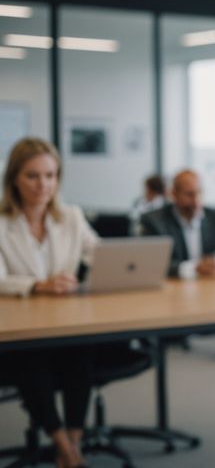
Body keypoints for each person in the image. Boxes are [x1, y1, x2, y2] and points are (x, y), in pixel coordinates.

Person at [0, 137, 98, 468]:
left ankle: (74, 440)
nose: (43, 184)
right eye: (33, 176)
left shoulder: (70, 216)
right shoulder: (1, 223)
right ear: (14, 177)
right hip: (19, 328)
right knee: (32, 363)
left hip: (64, 320)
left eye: (50, 175)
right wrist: (38, 285)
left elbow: (98, 254)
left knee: (80, 355)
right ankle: (62, 445)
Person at [140, 169, 215, 278]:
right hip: (173, 291)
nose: (196, 201)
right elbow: (149, 264)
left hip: (213, 288)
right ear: (173, 194)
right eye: (189, 194)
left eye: (199, 192)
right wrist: (193, 268)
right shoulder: (154, 221)